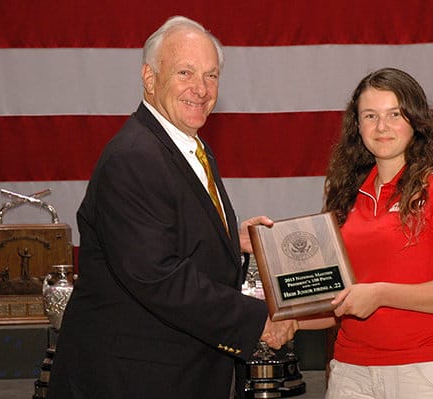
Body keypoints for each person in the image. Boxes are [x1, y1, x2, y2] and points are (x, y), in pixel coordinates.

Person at [48, 16, 297, 399]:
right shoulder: (134, 157)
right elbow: (157, 276)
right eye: (185, 72)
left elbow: (172, 235)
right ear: (149, 78)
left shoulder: (188, 147)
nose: (201, 88)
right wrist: (257, 321)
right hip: (132, 381)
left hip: (178, 375)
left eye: (211, 76)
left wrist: (232, 238)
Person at [302, 67, 433, 398]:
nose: (382, 126)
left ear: (415, 121)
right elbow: (337, 299)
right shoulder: (344, 194)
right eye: (370, 115)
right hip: (350, 373)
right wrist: (283, 321)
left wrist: (381, 294)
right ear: (356, 126)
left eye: (394, 114)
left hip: (428, 372)